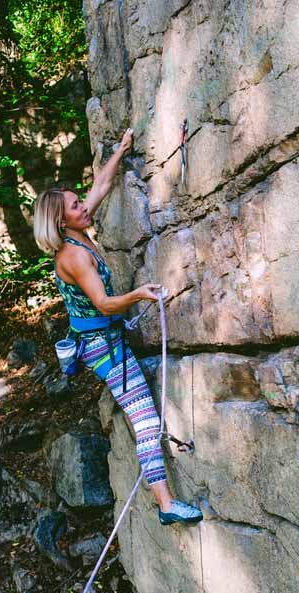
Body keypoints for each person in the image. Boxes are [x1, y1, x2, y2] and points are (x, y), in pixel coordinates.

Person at [32, 128, 202, 527]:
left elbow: (102, 185)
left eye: (79, 202)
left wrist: (122, 150)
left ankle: (164, 503)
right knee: (145, 420)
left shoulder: (77, 229)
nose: (83, 206)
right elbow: (104, 303)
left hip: (106, 337)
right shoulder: (73, 257)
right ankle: (165, 505)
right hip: (102, 348)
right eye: (76, 206)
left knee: (144, 416)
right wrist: (139, 295)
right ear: (62, 219)